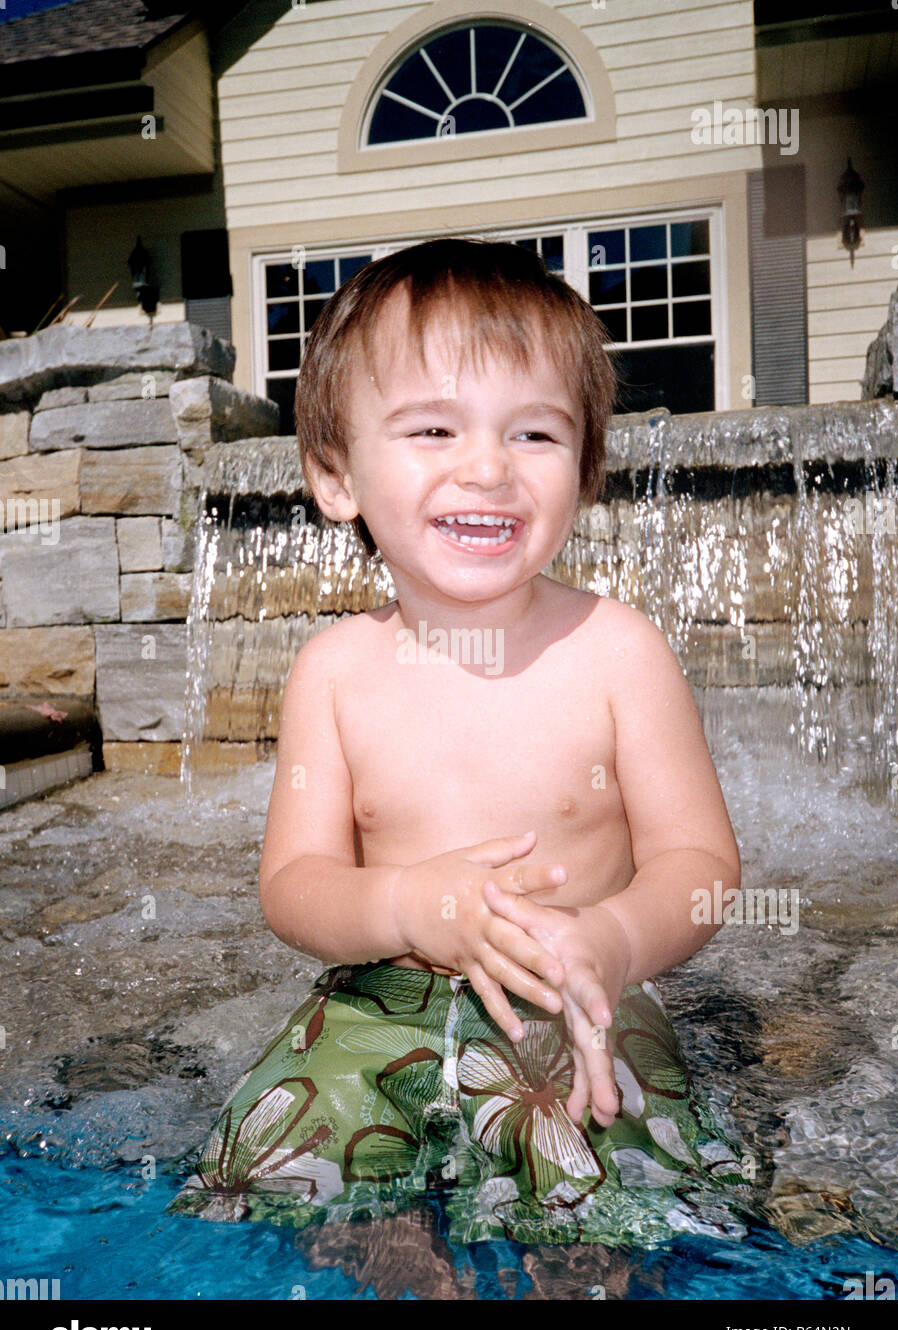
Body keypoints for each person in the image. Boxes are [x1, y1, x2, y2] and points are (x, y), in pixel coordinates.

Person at [168, 238, 751, 1251]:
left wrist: (612, 940)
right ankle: (393, 1261)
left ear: (583, 467)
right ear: (335, 475)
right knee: (278, 1162)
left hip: (574, 994)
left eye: (532, 433)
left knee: (617, 1192)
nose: (485, 467)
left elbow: (700, 866)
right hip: (375, 998)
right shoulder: (337, 671)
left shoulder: (617, 652)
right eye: (433, 428)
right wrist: (403, 903)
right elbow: (294, 883)